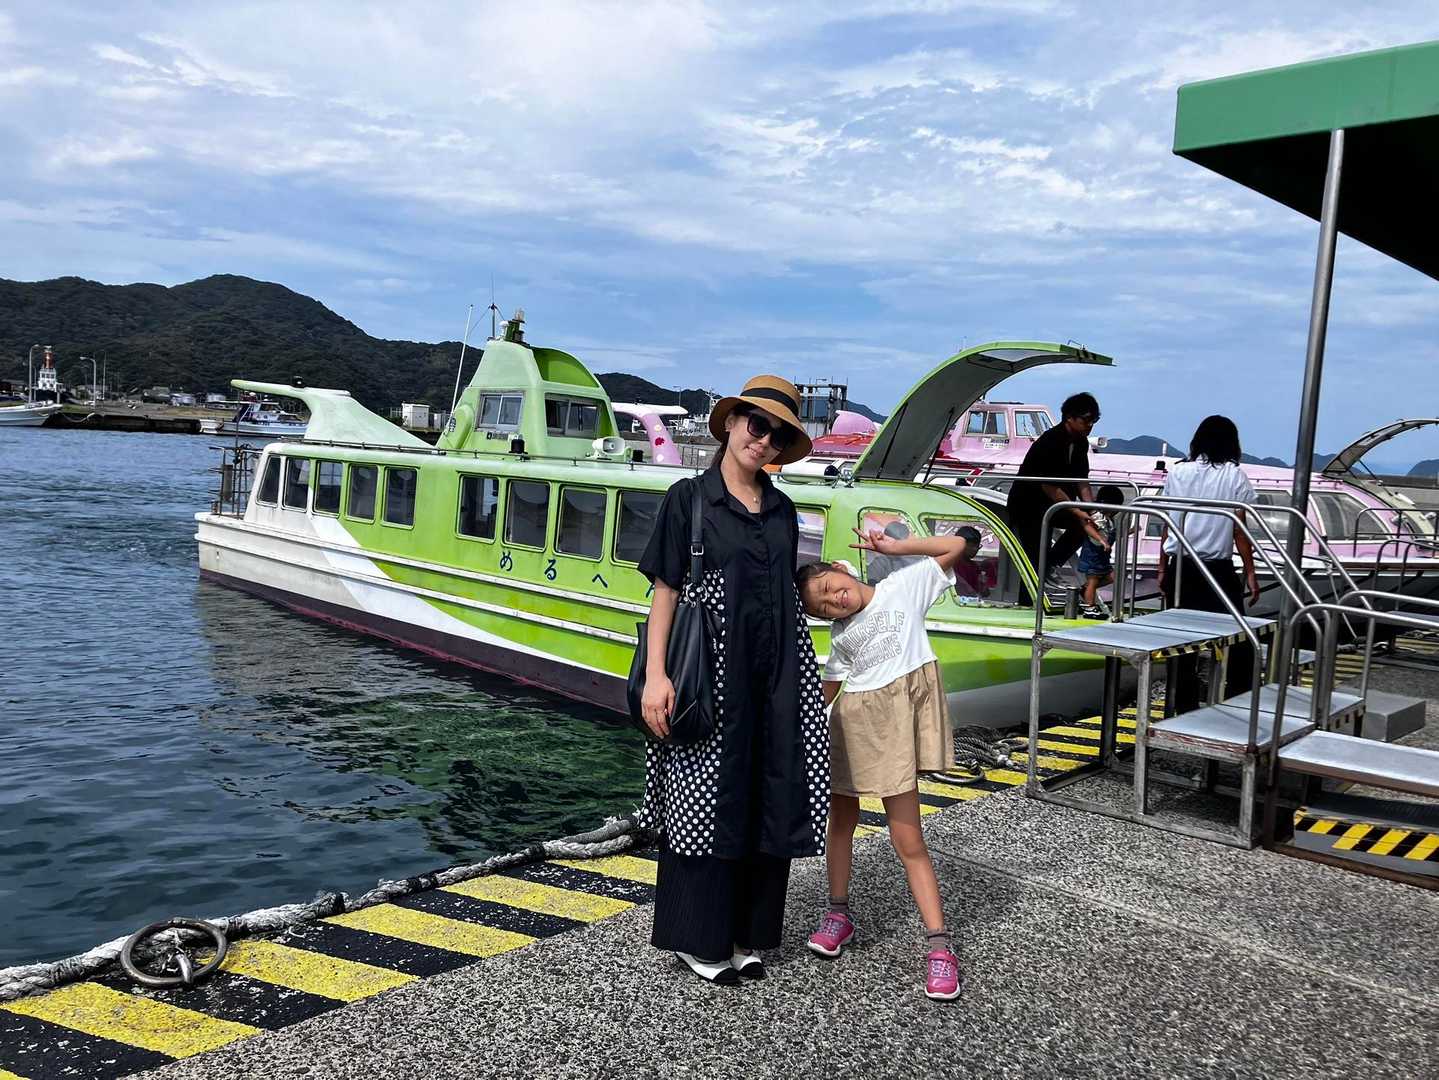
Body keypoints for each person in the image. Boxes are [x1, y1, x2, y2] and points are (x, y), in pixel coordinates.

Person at [636, 374, 830, 986]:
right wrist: (657, 676)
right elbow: (666, 592)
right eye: (757, 424)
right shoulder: (690, 499)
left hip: (777, 675)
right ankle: (699, 939)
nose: (763, 440)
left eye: (778, 435)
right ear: (731, 424)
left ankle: (748, 933)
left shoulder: (783, 509)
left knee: (768, 794)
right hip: (711, 675)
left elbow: (785, 595)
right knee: (703, 803)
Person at [794, 527, 972, 1001]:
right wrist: (796, 730)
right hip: (851, 726)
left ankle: (939, 945)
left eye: (830, 587)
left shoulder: (903, 585)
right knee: (840, 823)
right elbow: (831, 687)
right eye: (824, 607)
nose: (835, 600)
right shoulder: (842, 635)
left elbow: (957, 547)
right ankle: (837, 912)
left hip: (895, 728)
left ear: (840, 569)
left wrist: (897, 548)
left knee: (908, 837)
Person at [1156, 415, 1261, 712]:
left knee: (1181, 644)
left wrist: (1162, 568)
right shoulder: (1234, 475)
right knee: (1240, 640)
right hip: (1217, 567)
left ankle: (1181, 707)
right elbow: (1239, 530)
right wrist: (1250, 572)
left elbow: (1167, 523)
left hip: (1181, 566)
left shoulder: (1178, 472)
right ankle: (1238, 703)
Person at [1007, 392, 1100, 605]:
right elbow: (1049, 486)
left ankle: (1050, 564)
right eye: (1086, 420)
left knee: (1082, 527)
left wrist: (1091, 512)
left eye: (1093, 421)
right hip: (1029, 505)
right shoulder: (1051, 440)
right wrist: (1077, 510)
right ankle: (1027, 604)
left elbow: (1082, 481)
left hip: (1055, 505)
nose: (1090, 426)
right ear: (1070, 417)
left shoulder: (1081, 443)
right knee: (1033, 556)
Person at [1078, 485, 1124, 617]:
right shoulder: (1097, 516)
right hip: (1093, 555)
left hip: (1103, 556)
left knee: (1111, 577)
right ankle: (1089, 607)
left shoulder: (1109, 520)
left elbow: (1111, 534)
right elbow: (1088, 527)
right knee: (1093, 580)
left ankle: (1085, 589)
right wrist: (1101, 540)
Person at [952, 525, 988, 599]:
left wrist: (983, 584)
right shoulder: (951, 564)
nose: (975, 549)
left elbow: (984, 593)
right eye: (971, 545)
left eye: (977, 546)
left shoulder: (974, 567)